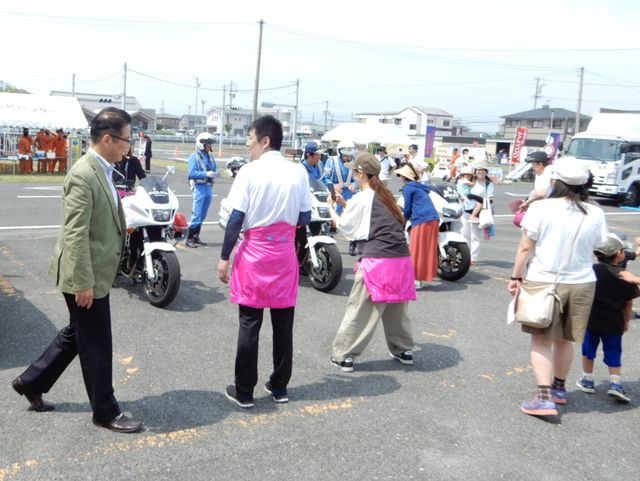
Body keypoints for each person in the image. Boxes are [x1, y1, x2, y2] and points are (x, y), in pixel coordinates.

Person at [11, 107, 143, 433]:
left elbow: (99, 217)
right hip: (84, 275)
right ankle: (105, 410)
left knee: (77, 333)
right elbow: (74, 233)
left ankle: (31, 381)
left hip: (93, 270)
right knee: (97, 341)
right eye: (126, 140)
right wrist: (84, 281)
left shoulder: (104, 167)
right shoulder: (84, 174)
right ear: (108, 138)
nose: (130, 146)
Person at [217, 115, 312, 408]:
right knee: (284, 324)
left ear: (265, 141)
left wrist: (224, 257)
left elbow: (235, 218)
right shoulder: (299, 172)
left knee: (250, 324)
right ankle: (280, 387)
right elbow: (305, 217)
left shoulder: (249, 171)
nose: (247, 144)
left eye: (250, 138)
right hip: (284, 255)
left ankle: (245, 391)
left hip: (255, 255)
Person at [508, 158, 608, 418]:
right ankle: (559, 390)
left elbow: (526, 247)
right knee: (565, 339)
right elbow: (600, 245)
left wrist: (516, 276)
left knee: (540, 338)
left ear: (556, 182)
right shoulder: (595, 211)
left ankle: (543, 398)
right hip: (583, 282)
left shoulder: (541, 208)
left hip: (544, 279)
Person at [327, 154, 416, 372]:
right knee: (396, 309)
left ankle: (345, 355)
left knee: (360, 309)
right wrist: (345, 203)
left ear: (360, 174)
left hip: (378, 262)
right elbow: (366, 220)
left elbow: (346, 227)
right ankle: (403, 349)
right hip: (401, 260)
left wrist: (331, 207)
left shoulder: (363, 197)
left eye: (354, 172)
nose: (353, 175)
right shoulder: (386, 197)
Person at [576, 235, 639, 403]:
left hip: (590, 320)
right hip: (614, 321)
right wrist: (626, 321)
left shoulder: (591, 270)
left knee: (588, 350)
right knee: (613, 351)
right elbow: (628, 303)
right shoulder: (624, 275)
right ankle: (615, 383)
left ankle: (587, 379)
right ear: (618, 254)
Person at [395, 163, 440, 289]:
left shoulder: (408, 187)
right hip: (433, 218)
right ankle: (421, 277)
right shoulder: (420, 187)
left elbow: (407, 208)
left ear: (405, 176)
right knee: (427, 250)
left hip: (422, 219)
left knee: (416, 250)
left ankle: (415, 279)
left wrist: (403, 222)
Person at [324, 140, 359, 255]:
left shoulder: (354, 161)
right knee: (332, 218)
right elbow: (325, 177)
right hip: (335, 193)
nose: (346, 157)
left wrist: (355, 184)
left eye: (349, 155)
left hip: (350, 193)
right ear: (339, 152)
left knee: (352, 218)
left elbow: (359, 177)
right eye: (344, 155)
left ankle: (352, 242)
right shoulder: (331, 161)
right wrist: (332, 186)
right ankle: (327, 244)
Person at [296, 141, 325, 273]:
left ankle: (305, 261)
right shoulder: (300, 169)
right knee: (301, 237)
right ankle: (298, 263)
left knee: (315, 231)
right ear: (309, 155)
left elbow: (323, 181)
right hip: (304, 207)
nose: (319, 158)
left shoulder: (319, 166)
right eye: (317, 155)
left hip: (317, 205)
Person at [185, 132, 217, 248]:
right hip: (199, 187)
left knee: (203, 214)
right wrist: (206, 173)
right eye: (208, 144)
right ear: (202, 144)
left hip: (208, 187)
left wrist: (214, 174)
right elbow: (192, 173)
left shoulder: (210, 157)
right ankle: (189, 238)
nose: (209, 146)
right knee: (196, 213)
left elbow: (213, 169)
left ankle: (196, 237)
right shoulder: (194, 157)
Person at [459, 164, 494, 265]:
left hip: (479, 211)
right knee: (464, 233)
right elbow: (461, 189)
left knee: (475, 236)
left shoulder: (488, 184)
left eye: (483, 170)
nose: (480, 172)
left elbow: (490, 200)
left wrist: (475, 197)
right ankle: (464, 255)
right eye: (478, 170)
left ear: (486, 172)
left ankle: (473, 258)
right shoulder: (471, 181)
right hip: (466, 210)